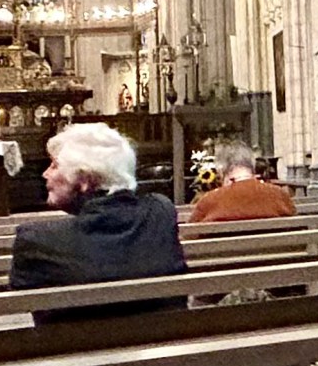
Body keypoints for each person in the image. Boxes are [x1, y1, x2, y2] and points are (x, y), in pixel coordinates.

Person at [11, 122, 187, 317]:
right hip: (167, 343)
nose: (45, 174)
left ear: (85, 179)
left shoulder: (35, 240)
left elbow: (21, 294)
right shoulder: (161, 211)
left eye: (54, 165)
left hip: (73, 346)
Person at [189, 142, 296, 223]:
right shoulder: (279, 196)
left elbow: (189, 236)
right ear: (252, 167)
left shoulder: (209, 202)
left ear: (222, 171)